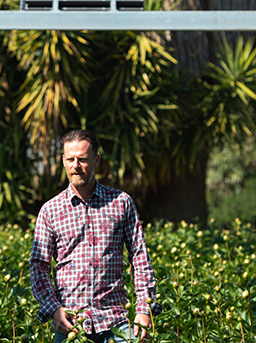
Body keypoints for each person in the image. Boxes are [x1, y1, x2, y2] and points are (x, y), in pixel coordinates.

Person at [30, 129, 162, 343]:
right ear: (63, 161)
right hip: (71, 325)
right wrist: (53, 309)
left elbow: (139, 257)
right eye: (70, 159)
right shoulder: (50, 210)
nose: (76, 166)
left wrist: (144, 309)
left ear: (96, 160)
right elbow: (38, 266)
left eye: (82, 159)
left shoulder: (121, 202)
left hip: (116, 322)